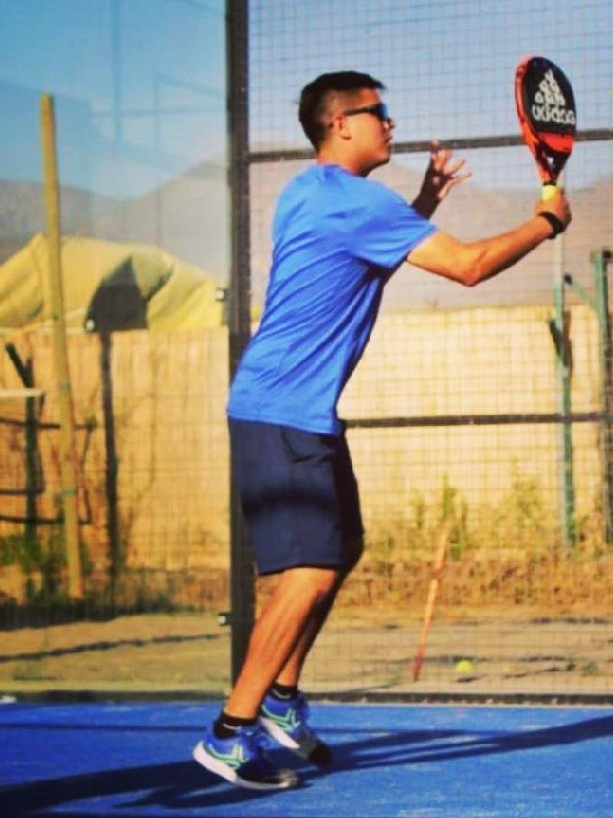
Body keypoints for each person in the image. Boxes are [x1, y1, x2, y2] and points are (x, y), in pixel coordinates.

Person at [193, 70, 572, 790]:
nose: (390, 123)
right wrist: (545, 223)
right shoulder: (357, 203)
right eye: (378, 112)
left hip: (291, 410)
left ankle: (279, 698)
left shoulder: (308, 192)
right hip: (282, 412)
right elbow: (467, 267)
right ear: (340, 123)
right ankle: (231, 734)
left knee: (340, 550)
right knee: (306, 573)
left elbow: (362, 260)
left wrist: (423, 203)